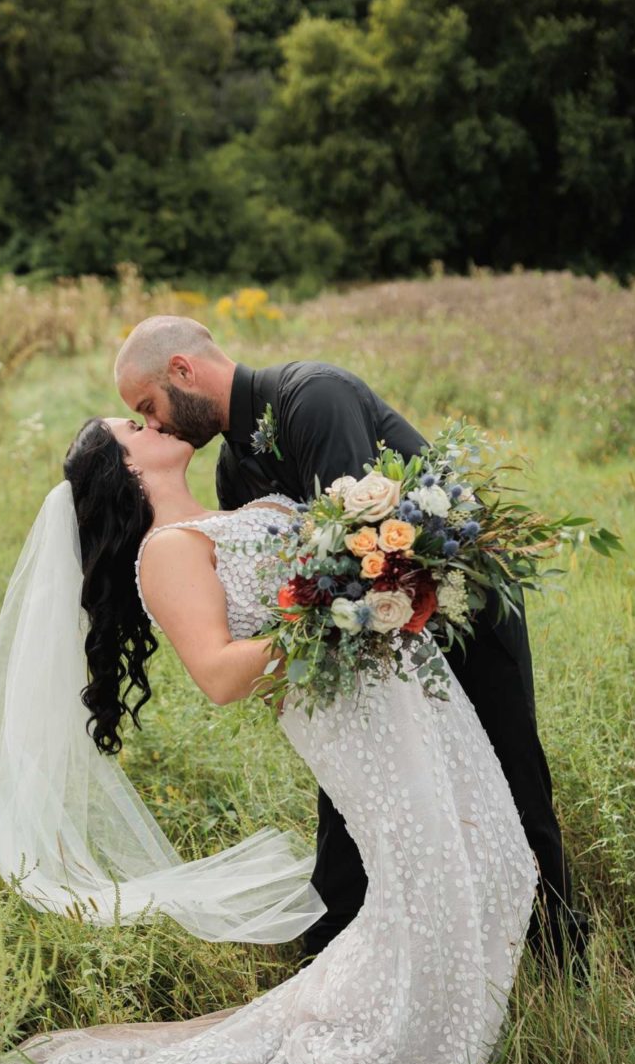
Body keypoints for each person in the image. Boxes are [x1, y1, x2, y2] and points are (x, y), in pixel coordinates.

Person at [0, 417, 538, 1064]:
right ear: (123, 466)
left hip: (408, 686)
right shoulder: (165, 553)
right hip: (351, 718)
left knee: (501, 853)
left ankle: (443, 1009)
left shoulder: (246, 504)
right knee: (424, 875)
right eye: (131, 426)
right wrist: (349, 605)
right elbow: (223, 674)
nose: (150, 423)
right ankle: (418, 1033)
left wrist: (386, 574)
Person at [114, 314, 587, 973]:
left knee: (512, 779)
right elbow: (291, 583)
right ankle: (338, 953)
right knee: (351, 807)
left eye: (149, 407)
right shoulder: (233, 468)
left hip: (457, 617)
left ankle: (563, 957)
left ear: (183, 371)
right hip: (363, 650)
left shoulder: (313, 395)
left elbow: (368, 545)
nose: (157, 425)